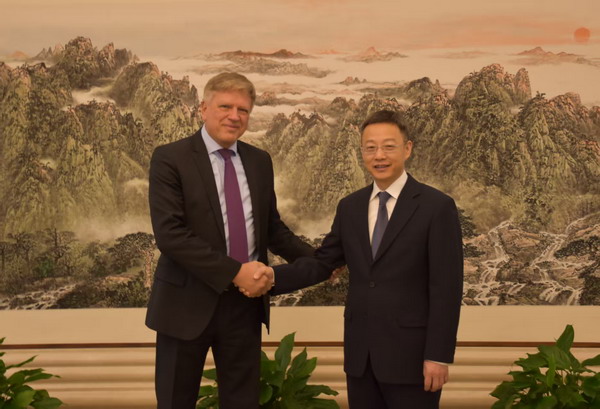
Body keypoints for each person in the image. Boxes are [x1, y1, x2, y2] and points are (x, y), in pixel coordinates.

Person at [269, 110, 464, 409]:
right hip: (361, 359)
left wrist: (438, 356)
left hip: (413, 359)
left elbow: (446, 289)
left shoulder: (437, 207)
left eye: (388, 146)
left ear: (407, 148)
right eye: (370, 148)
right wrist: (271, 278)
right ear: (362, 152)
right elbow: (324, 262)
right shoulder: (350, 207)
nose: (379, 155)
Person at [145, 72, 314, 409]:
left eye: (243, 110)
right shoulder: (170, 158)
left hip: (244, 306)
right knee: (176, 401)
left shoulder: (259, 161)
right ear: (203, 108)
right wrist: (236, 272)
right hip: (185, 304)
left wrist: (320, 259)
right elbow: (171, 235)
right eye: (225, 106)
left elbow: (272, 230)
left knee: (243, 401)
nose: (234, 116)